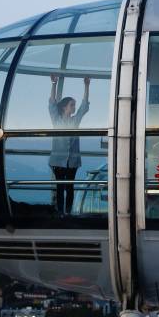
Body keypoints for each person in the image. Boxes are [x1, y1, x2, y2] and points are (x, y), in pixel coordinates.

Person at [48, 75, 91, 217]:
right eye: (72, 105)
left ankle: (68, 213)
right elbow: (52, 103)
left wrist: (87, 86)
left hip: (71, 161)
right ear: (65, 107)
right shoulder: (56, 119)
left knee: (69, 187)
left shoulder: (75, 120)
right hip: (59, 161)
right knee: (61, 187)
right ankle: (61, 212)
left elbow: (84, 107)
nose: (74, 107)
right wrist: (54, 84)